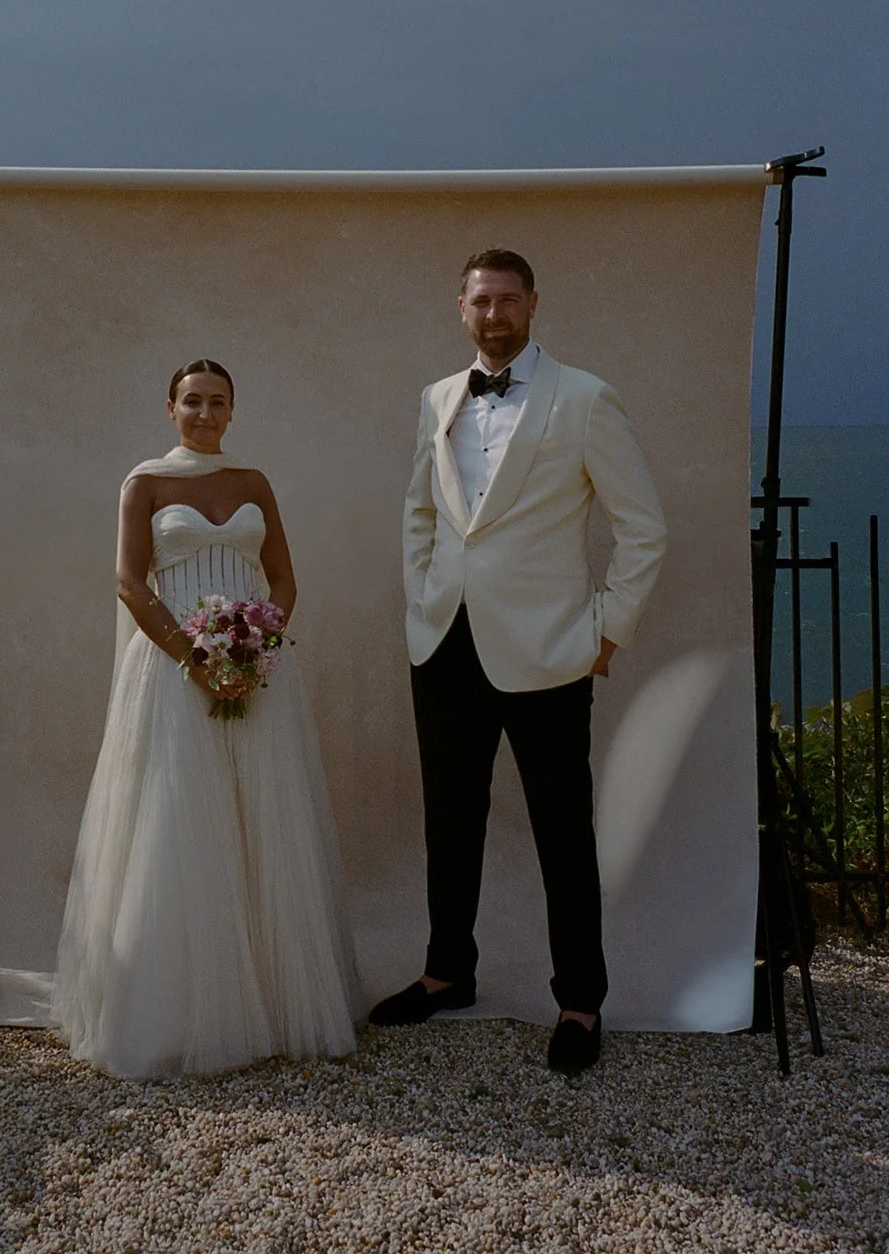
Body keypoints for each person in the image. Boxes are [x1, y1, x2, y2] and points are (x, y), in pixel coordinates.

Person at [370, 251, 667, 1072]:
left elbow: (643, 526)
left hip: (549, 651)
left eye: (507, 300)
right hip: (445, 643)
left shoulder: (585, 398)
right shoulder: (438, 397)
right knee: (449, 822)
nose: (494, 314)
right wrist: (422, 601)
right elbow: (420, 511)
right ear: (461, 308)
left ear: (533, 303)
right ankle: (446, 973)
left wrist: (607, 632)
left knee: (563, 832)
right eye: (481, 301)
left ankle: (580, 1002)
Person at [53, 359, 358, 1079]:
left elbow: (282, 576)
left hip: (254, 669)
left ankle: (273, 1005)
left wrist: (257, 645)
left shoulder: (254, 482)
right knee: (181, 827)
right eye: (192, 401)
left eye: (218, 402)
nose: (205, 413)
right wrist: (196, 658)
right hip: (172, 669)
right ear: (170, 407)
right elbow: (130, 581)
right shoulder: (145, 482)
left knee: (263, 825)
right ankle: (176, 1016)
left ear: (232, 411)